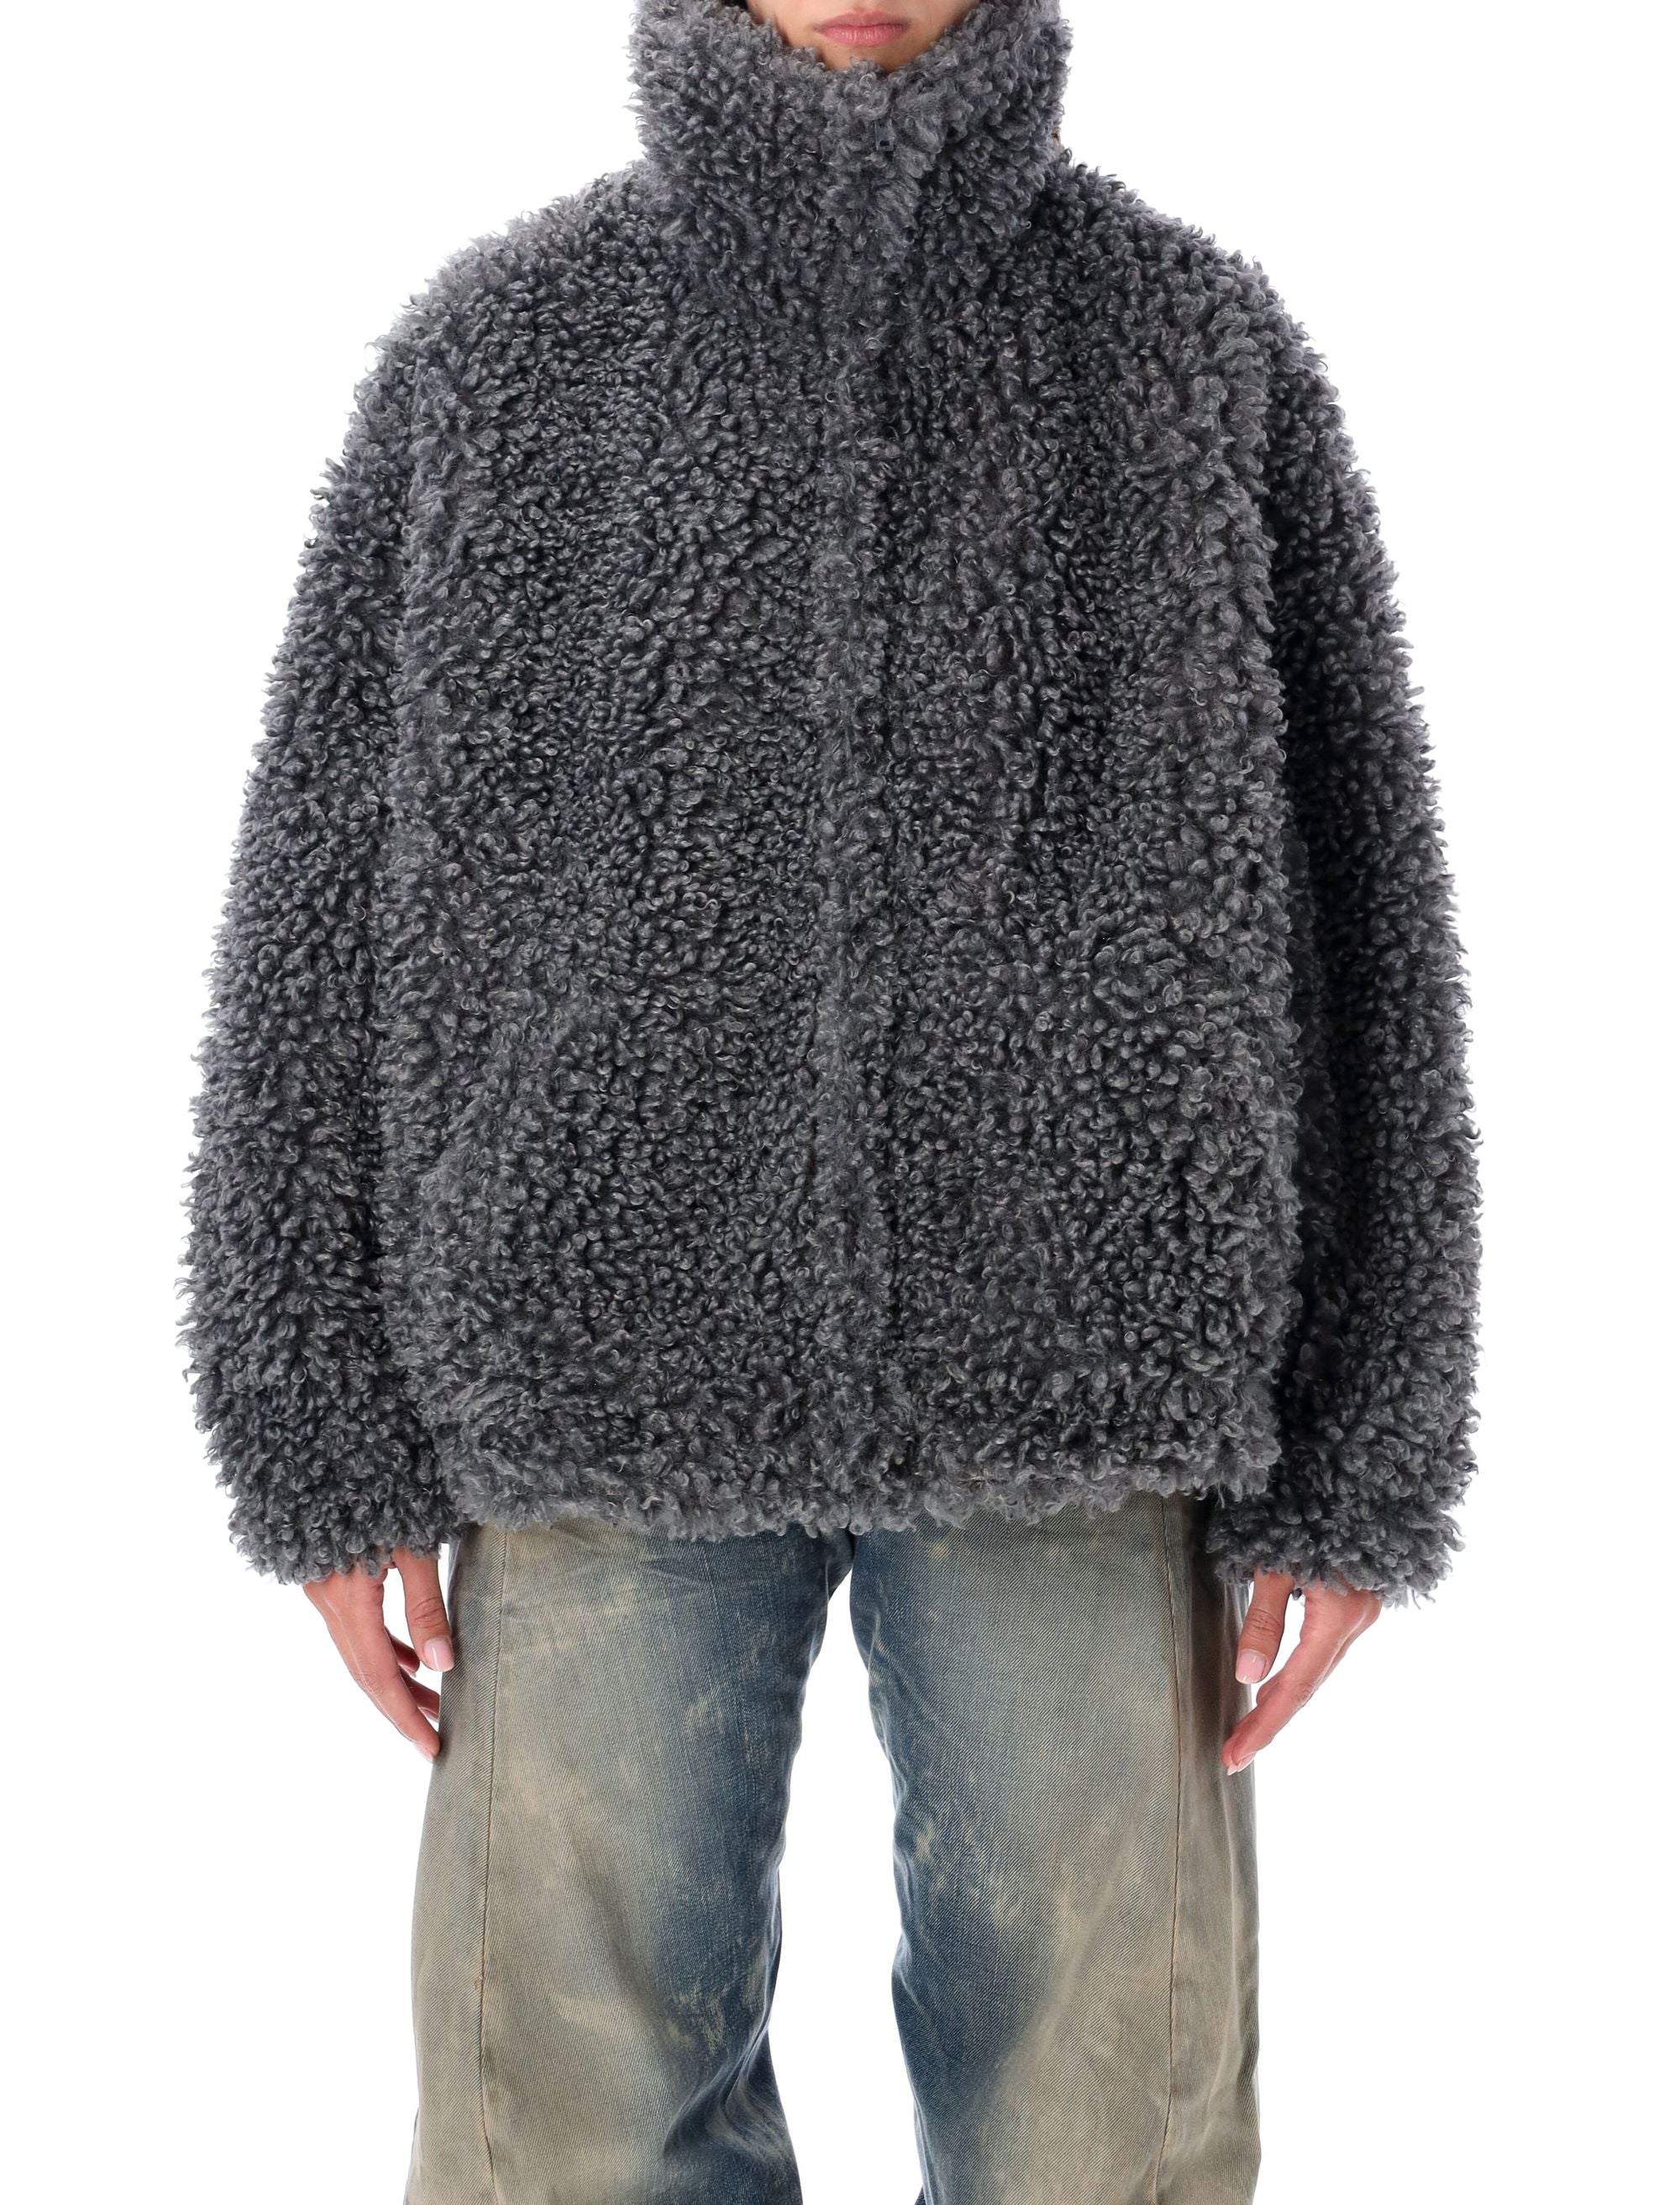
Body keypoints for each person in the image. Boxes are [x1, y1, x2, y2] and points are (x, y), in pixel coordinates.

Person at [180, 2, 1481, 2197]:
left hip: (1083, 1337)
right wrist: (315, 1410)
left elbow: (1365, 908)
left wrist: (1364, 1437)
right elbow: (319, 896)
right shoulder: (507, 355)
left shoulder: (1187, 349)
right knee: (565, 2131)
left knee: (1104, 2124)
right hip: (595, 1334)